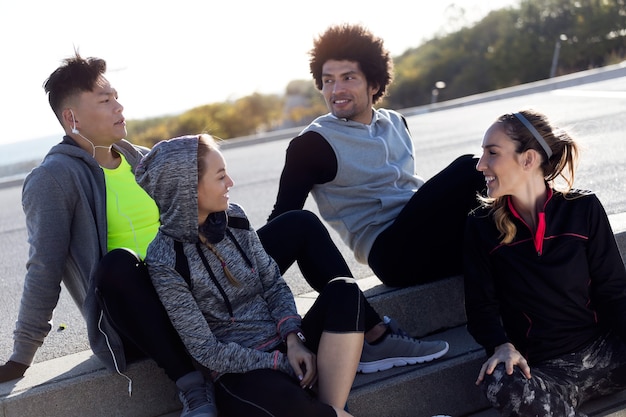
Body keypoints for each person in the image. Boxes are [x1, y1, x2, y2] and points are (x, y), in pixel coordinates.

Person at [0, 52, 217, 417]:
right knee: (118, 264)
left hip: (192, 296)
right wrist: (21, 357)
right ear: (72, 118)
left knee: (297, 226)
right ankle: (194, 389)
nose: (119, 106)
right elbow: (43, 268)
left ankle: (341, 337)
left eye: (116, 96)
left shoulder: (145, 161)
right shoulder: (53, 179)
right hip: (136, 315)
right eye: (105, 100)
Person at [135, 133, 366, 417]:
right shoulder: (164, 259)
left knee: (345, 290)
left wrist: (294, 339)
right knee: (286, 399)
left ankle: (329, 409)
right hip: (242, 371)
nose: (230, 183)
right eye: (220, 177)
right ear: (188, 190)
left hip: (285, 343)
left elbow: (273, 284)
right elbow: (207, 350)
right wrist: (279, 362)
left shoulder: (236, 218)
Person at [268, 23, 485, 288]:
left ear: (374, 83)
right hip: (392, 254)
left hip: (430, 238)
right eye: (328, 81)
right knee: (472, 167)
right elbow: (283, 222)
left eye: (348, 78)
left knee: (493, 190)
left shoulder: (396, 122)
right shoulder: (313, 144)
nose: (336, 91)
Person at [464, 109, 626, 416]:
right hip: (544, 373)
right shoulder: (481, 225)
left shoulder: (583, 208)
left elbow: (615, 292)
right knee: (499, 382)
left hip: (608, 353)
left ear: (528, 159)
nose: (480, 164)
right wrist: (500, 345)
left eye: (492, 152)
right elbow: (480, 308)